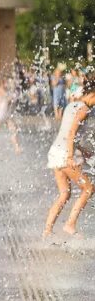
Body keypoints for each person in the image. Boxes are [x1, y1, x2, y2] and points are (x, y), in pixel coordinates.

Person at [44, 76, 95, 237]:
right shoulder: (84, 109)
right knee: (88, 188)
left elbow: (66, 131)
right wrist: (71, 156)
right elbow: (72, 132)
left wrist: (81, 149)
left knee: (64, 193)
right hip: (65, 154)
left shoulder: (72, 104)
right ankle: (70, 224)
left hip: (55, 152)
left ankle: (47, 230)